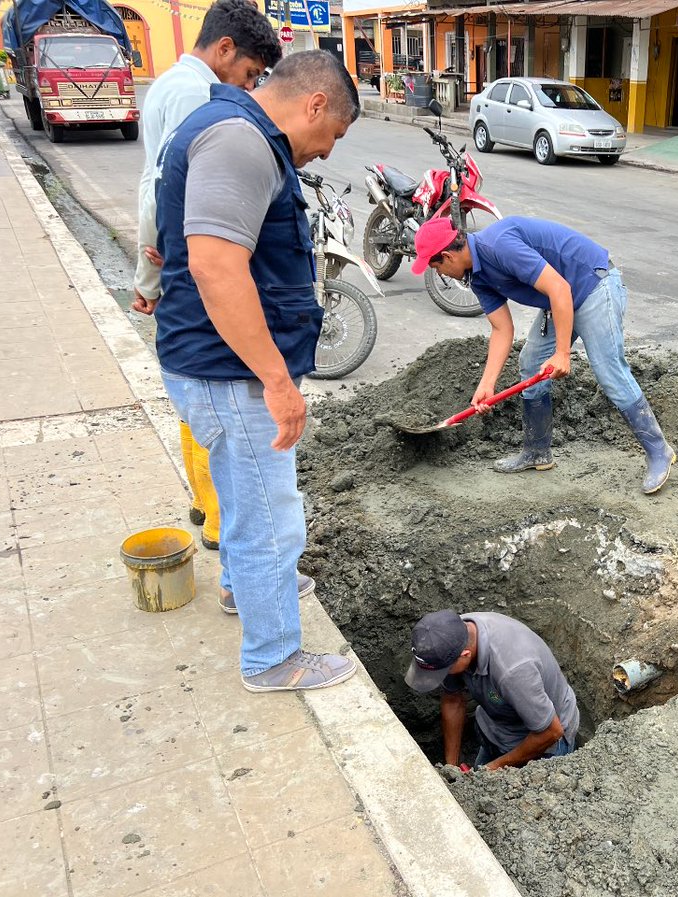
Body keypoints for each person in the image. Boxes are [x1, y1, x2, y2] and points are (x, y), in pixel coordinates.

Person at [153, 50, 362, 692]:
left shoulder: (232, 133)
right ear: (315, 104)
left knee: (244, 499)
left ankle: (244, 590)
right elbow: (217, 267)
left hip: (217, 367)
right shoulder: (241, 142)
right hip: (231, 374)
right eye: (332, 137)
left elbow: (171, 240)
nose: (326, 153)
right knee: (272, 518)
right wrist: (276, 380)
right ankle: (273, 658)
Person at [132, 0, 281, 554]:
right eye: (246, 76)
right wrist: (151, 276)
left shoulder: (167, 85)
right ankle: (223, 533)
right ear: (224, 49)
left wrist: (149, 277)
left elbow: (152, 188)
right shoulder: (202, 99)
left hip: (176, 279)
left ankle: (204, 505)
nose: (246, 90)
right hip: (196, 287)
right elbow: (163, 195)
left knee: (198, 414)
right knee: (223, 414)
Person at [412, 216, 675, 495]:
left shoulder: (498, 246)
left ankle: (659, 451)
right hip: (560, 299)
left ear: (447, 256)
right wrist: (486, 384)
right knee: (531, 363)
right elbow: (502, 328)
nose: (440, 273)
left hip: (592, 285)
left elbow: (560, 288)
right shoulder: (477, 275)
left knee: (608, 371)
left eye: (435, 266)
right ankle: (537, 451)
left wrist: (563, 352)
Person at [405, 610, 579, 771]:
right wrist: (452, 767)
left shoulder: (513, 671)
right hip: (498, 725)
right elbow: (453, 700)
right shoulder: (449, 639)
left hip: (543, 739)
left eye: (442, 671)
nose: (441, 676)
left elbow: (551, 731)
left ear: (465, 655)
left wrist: (490, 770)